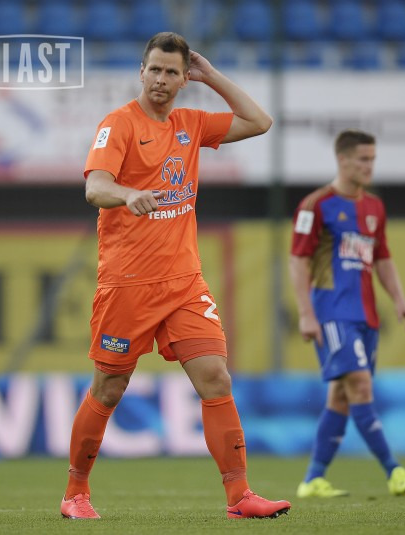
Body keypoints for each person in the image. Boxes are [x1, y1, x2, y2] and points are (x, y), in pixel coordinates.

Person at [60, 32, 290, 520]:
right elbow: (95, 188)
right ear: (141, 72)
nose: (161, 79)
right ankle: (75, 493)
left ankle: (240, 496)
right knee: (109, 388)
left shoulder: (191, 124)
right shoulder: (118, 124)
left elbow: (260, 121)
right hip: (127, 284)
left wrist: (212, 77)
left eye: (172, 72)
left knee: (216, 377)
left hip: (184, 283)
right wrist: (127, 194)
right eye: (154, 70)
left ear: (185, 79)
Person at [289, 130, 405, 498]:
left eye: (372, 159)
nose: (369, 166)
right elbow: (298, 260)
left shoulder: (374, 207)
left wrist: (400, 300)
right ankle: (394, 471)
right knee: (360, 385)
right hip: (331, 311)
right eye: (363, 159)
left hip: (365, 316)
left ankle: (313, 479)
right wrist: (305, 313)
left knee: (341, 396)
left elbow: (382, 258)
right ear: (342, 159)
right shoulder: (316, 205)